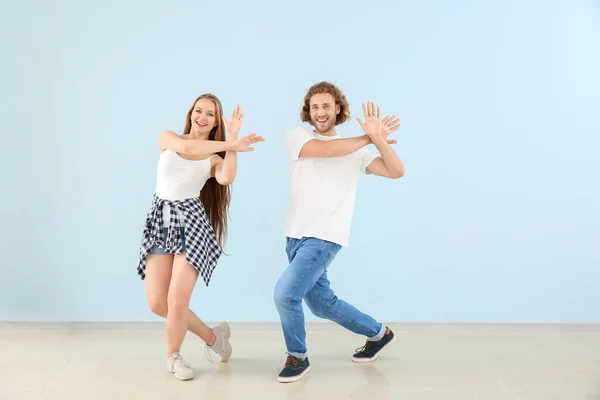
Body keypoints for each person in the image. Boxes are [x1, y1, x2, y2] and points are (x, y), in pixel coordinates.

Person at [274, 81, 405, 383]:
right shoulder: (298, 136)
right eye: (315, 106)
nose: (321, 111)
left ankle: (298, 357)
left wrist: (378, 140)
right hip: (295, 236)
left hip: (324, 237)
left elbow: (396, 171)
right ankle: (378, 333)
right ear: (309, 111)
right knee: (322, 304)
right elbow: (328, 150)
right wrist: (369, 137)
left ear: (338, 109)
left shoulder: (357, 152)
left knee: (285, 295)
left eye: (326, 106)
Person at [136, 94, 264, 381]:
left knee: (177, 300)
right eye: (198, 111)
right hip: (161, 220)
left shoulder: (214, 157)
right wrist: (231, 143)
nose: (202, 117)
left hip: (191, 224)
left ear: (216, 121)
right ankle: (213, 337)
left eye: (210, 114)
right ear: (191, 113)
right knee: (158, 303)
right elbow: (186, 145)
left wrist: (232, 143)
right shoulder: (169, 138)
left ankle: (174, 357)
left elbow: (226, 178)